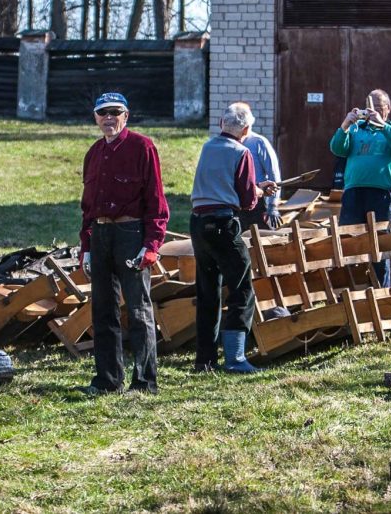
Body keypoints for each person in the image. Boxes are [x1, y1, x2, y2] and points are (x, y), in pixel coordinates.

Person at [79, 92, 169, 394]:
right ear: (95, 118)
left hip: (131, 234)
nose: (108, 119)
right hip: (100, 234)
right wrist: (87, 247)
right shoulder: (93, 153)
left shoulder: (142, 147)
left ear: (125, 116)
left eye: (115, 113)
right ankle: (107, 380)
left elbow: (156, 201)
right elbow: (87, 207)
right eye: (102, 113)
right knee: (102, 311)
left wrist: (151, 244)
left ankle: (144, 382)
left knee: (138, 309)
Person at [190, 103, 278, 373]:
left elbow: (222, 182)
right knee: (241, 289)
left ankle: (205, 361)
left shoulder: (208, 146)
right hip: (223, 225)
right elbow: (248, 202)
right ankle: (236, 358)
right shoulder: (242, 152)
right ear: (247, 129)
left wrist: (254, 187)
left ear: (221, 123)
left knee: (208, 292)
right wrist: (262, 192)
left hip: (198, 223)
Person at [329, 89, 391, 288]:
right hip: (354, 192)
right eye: (370, 108)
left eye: (379, 107)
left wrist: (381, 125)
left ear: (388, 109)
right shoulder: (357, 129)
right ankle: (349, 290)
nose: (373, 111)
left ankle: (381, 291)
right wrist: (345, 125)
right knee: (349, 240)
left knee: (380, 243)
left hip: (381, 193)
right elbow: (337, 148)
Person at [236, 102, 283, 231]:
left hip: (256, 201)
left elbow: (274, 175)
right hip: (236, 202)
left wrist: (273, 206)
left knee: (259, 239)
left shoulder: (258, 142)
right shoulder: (229, 145)